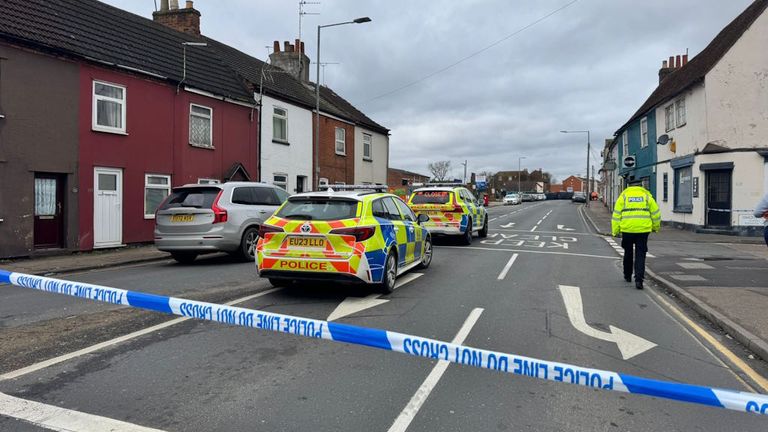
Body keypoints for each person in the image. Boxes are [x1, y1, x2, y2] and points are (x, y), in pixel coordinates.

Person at [611, 177, 661, 289]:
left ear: (628, 186)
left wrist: (615, 231)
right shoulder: (647, 196)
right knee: (640, 255)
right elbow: (656, 214)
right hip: (643, 230)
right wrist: (655, 227)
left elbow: (616, 215)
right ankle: (639, 280)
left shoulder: (623, 197)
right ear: (641, 185)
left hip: (627, 230)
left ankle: (627, 275)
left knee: (628, 252)